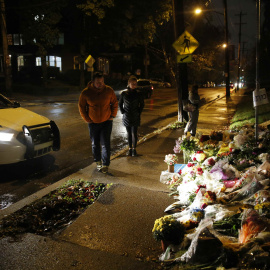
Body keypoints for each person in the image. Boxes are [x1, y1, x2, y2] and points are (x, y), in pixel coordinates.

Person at [78, 72, 118, 174]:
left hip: (106, 122)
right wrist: (87, 119)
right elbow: (81, 107)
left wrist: (112, 115)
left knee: (105, 144)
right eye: (98, 82)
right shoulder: (86, 93)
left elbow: (114, 103)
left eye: (102, 82)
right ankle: (98, 162)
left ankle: (105, 164)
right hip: (93, 123)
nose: (100, 84)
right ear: (93, 82)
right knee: (95, 144)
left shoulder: (109, 90)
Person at [119, 76, 144, 157]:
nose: (134, 85)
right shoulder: (124, 93)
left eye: (135, 84)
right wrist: (123, 112)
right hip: (127, 116)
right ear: (128, 84)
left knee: (134, 133)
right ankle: (130, 149)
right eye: (132, 83)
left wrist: (138, 112)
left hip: (135, 115)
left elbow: (142, 104)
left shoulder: (138, 93)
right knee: (129, 133)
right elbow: (120, 104)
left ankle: (134, 149)